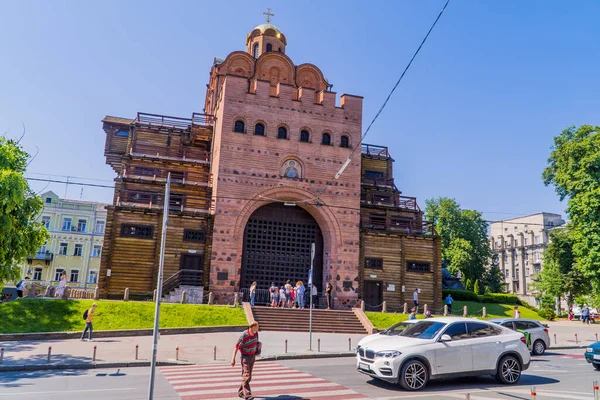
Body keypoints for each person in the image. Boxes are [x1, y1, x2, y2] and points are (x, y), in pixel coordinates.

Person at [231, 321, 261, 400]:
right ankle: (247, 395)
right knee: (246, 375)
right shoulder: (244, 335)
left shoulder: (256, 334)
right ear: (252, 327)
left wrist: (259, 344)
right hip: (245, 357)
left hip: (252, 357)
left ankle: (241, 392)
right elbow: (236, 347)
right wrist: (233, 359)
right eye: (257, 326)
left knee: (248, 377)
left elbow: (256, 343)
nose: (258, 328)